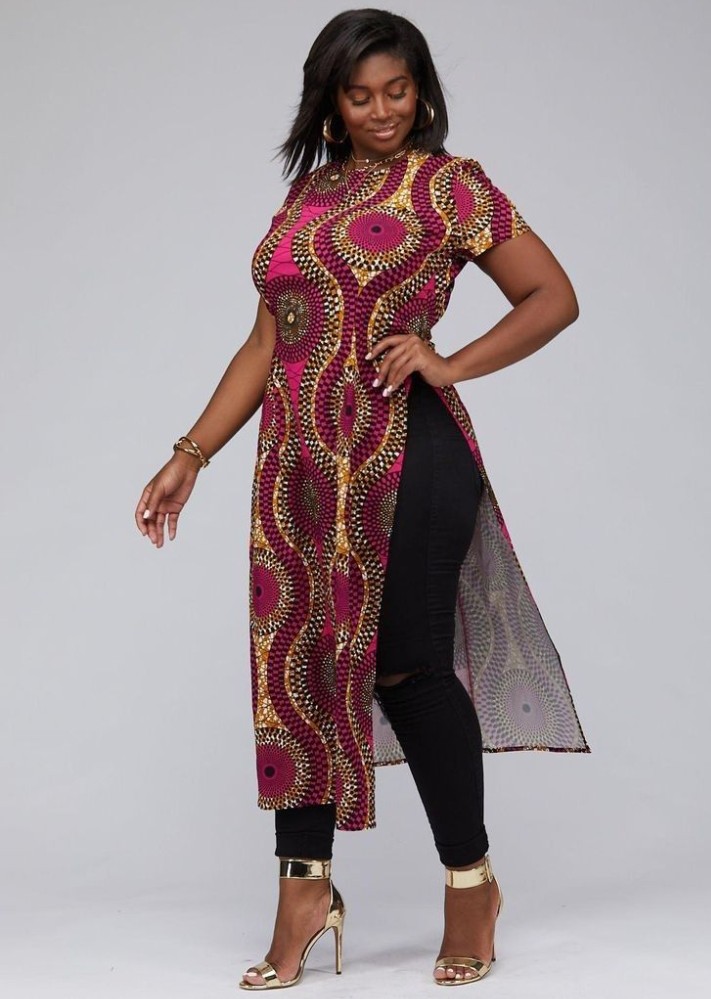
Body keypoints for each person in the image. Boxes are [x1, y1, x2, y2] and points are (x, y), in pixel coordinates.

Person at [134, 8, 590, 990]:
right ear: (330, 104)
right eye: (359, 95)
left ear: (421, 94)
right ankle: (304, 892)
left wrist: (447, 360)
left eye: (398, 91)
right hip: (299, 463)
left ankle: (470, 885)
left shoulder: (451, 187)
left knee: (405, 662)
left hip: (405, 453)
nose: (382, 111)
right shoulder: (306, 196)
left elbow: (552, 295)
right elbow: (268, 342)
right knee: (292, 662)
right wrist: (191, 453)